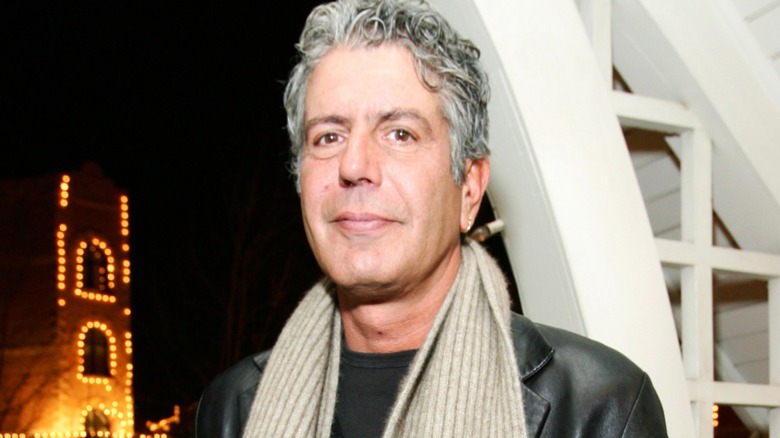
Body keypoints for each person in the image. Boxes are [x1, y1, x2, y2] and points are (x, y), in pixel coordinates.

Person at [194, 0, 668, 436]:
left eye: (400, 133)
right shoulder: (230, 410)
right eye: (329, 137)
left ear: (469, 189)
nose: (354, 166)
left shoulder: (598, 409)